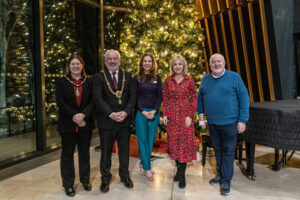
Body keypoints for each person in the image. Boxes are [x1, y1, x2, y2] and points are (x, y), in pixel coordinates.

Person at [197, 53, 250, 196]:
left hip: (230, 123)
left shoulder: (234, 77)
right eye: (213, 62)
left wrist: (242, 120)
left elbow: (244, 99)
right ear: (210, 65)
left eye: (219, 61)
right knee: (218, 150)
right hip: (213, 124)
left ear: (224, 63)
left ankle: (226, 180)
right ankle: (220, 175)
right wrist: (201, 119)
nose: (216, 64)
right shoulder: (206, 80)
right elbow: (200, 100)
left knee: (227, 151)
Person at [93, 49, 136, 193]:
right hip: (107, 121)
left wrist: (125, 112)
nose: (112, 61)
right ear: (105, 62)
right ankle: (105, 180)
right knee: (105, 153)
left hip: (124, 121)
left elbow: (132, 97)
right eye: (109, 59)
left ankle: (125, 177)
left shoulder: (127, 76)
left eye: (115, 58)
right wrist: (111, 114)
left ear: (120, 60)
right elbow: (98, 99)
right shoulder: (99, 77)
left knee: (124, 151)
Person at [56, 55, 94, 197]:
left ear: (82, 65)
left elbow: (93, 102)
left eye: (78, 64)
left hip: (85, 124)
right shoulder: (61, 82)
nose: (76, 66)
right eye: (73, 64)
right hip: (67, 125)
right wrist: (75, 116)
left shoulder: (89, 82)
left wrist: (83, 115)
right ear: (69, 66)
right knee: (67, 155)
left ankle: (85, 180)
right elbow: (61, 102)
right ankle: (68, 184)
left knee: (84, 153)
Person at [162, 55, 197, 189]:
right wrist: (165, 113)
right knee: (174, 145)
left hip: (185, 118)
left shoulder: (189, 80)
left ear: (184, 66)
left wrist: (190, 115)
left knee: (184, 146)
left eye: (180, 64)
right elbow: (165, 98)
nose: (177, 66)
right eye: (175, 64)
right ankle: (178, 170)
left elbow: (194, 98)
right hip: (172, 118)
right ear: (172, 66)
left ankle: (182, 175)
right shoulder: (168, 80)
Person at [133, 53, 162, 181]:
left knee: (150, 140)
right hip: (141, 113)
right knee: (142, 140)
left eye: (149, 61)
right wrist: (143, 111)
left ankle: (144, 163)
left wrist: (155, 111)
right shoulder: (137, 78)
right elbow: (135, 97)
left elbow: (159, 96)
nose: (147, 63)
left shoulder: (157, 77)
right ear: (141, 63)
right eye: (145, 61)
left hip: (154, 113)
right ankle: (147, 168)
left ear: (153, 63)